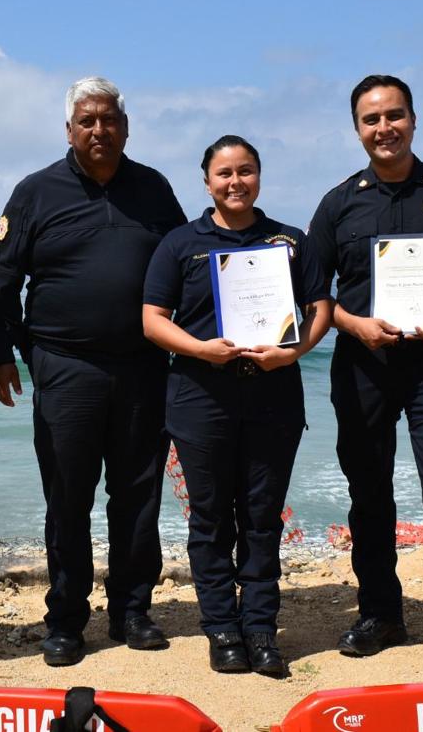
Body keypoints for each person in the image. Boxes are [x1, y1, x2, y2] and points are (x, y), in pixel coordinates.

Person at [0, 77, 186, 666]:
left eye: (110, 120)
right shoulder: (35, 192)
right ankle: (67, 618)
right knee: (68, 499)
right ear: (69, 129)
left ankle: (132, 610)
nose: (100, 130)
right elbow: (1, 284)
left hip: (145, 367)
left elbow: (183, 268)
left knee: (138, 495)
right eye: (87, 121)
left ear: (126, 125)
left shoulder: (153, 188)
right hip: (66, 369)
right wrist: (4, 353)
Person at [307, 75, 423, 680]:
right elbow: (313, 295)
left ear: (414, 120)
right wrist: (354, 326)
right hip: (362, 366)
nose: (383, 128)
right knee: (369, 496)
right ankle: (382, 615)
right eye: (371, 119)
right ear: (357, 129)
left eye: (394, 115)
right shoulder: (339, 203)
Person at [141, 135, 331, 676]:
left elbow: (320, 307)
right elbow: (152, 319)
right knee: (210, 520)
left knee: (262, 517)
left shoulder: (289, 241)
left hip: (273, 394)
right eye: (224, 173)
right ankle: (222, 629)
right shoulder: (180, 243)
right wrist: (201, 348)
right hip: (200, 395)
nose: (235, 182)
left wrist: (293, 351)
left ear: (259, 177)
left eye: (245, 171)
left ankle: (262, 630)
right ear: (207, 182)